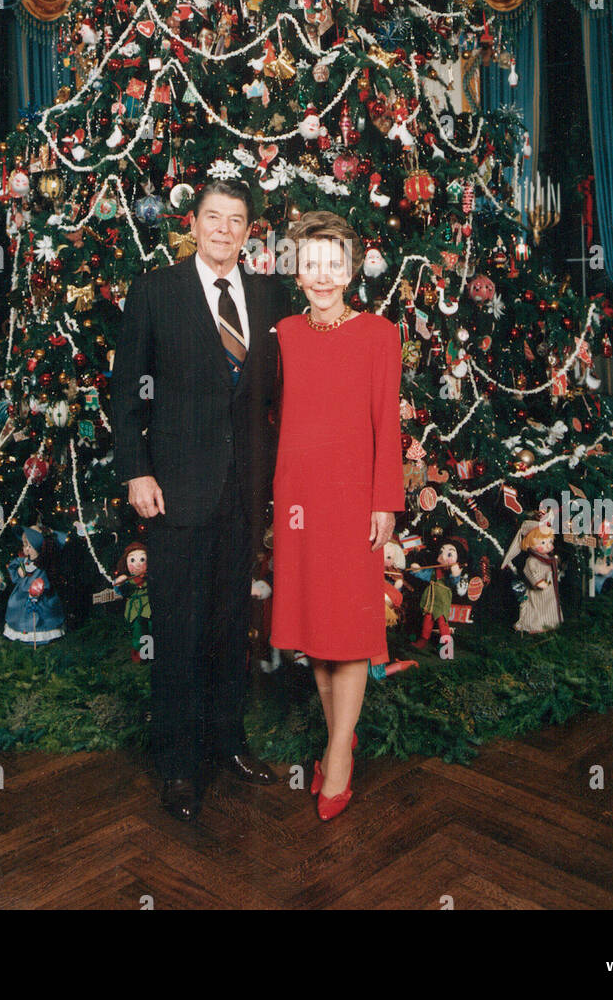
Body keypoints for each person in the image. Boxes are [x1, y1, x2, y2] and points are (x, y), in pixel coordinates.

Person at [111, 178, 291, 822]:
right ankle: (179, 764)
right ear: (193, 222)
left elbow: (278, 398)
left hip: (243, 493)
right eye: (212, 217)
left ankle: (227, 740)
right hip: (174, 493)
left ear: (249, 232)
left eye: (236, 220)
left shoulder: (271, 295)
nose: (223, 229)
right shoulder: (156, 290)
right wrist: (136, 471)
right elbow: (127, 391)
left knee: (226, 625)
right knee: (179, 628)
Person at [270, 211, 405, 822]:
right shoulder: (285, 334)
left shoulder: (380, 334)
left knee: (348, 629)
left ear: (352, 269)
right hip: (298, 499)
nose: (322, 276)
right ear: (297, 270)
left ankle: (339, 759)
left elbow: (387, 425)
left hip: (355, 499)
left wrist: (385, 503)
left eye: (334, 264)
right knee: (317, 631)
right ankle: (339, 736)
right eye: (311, 264)